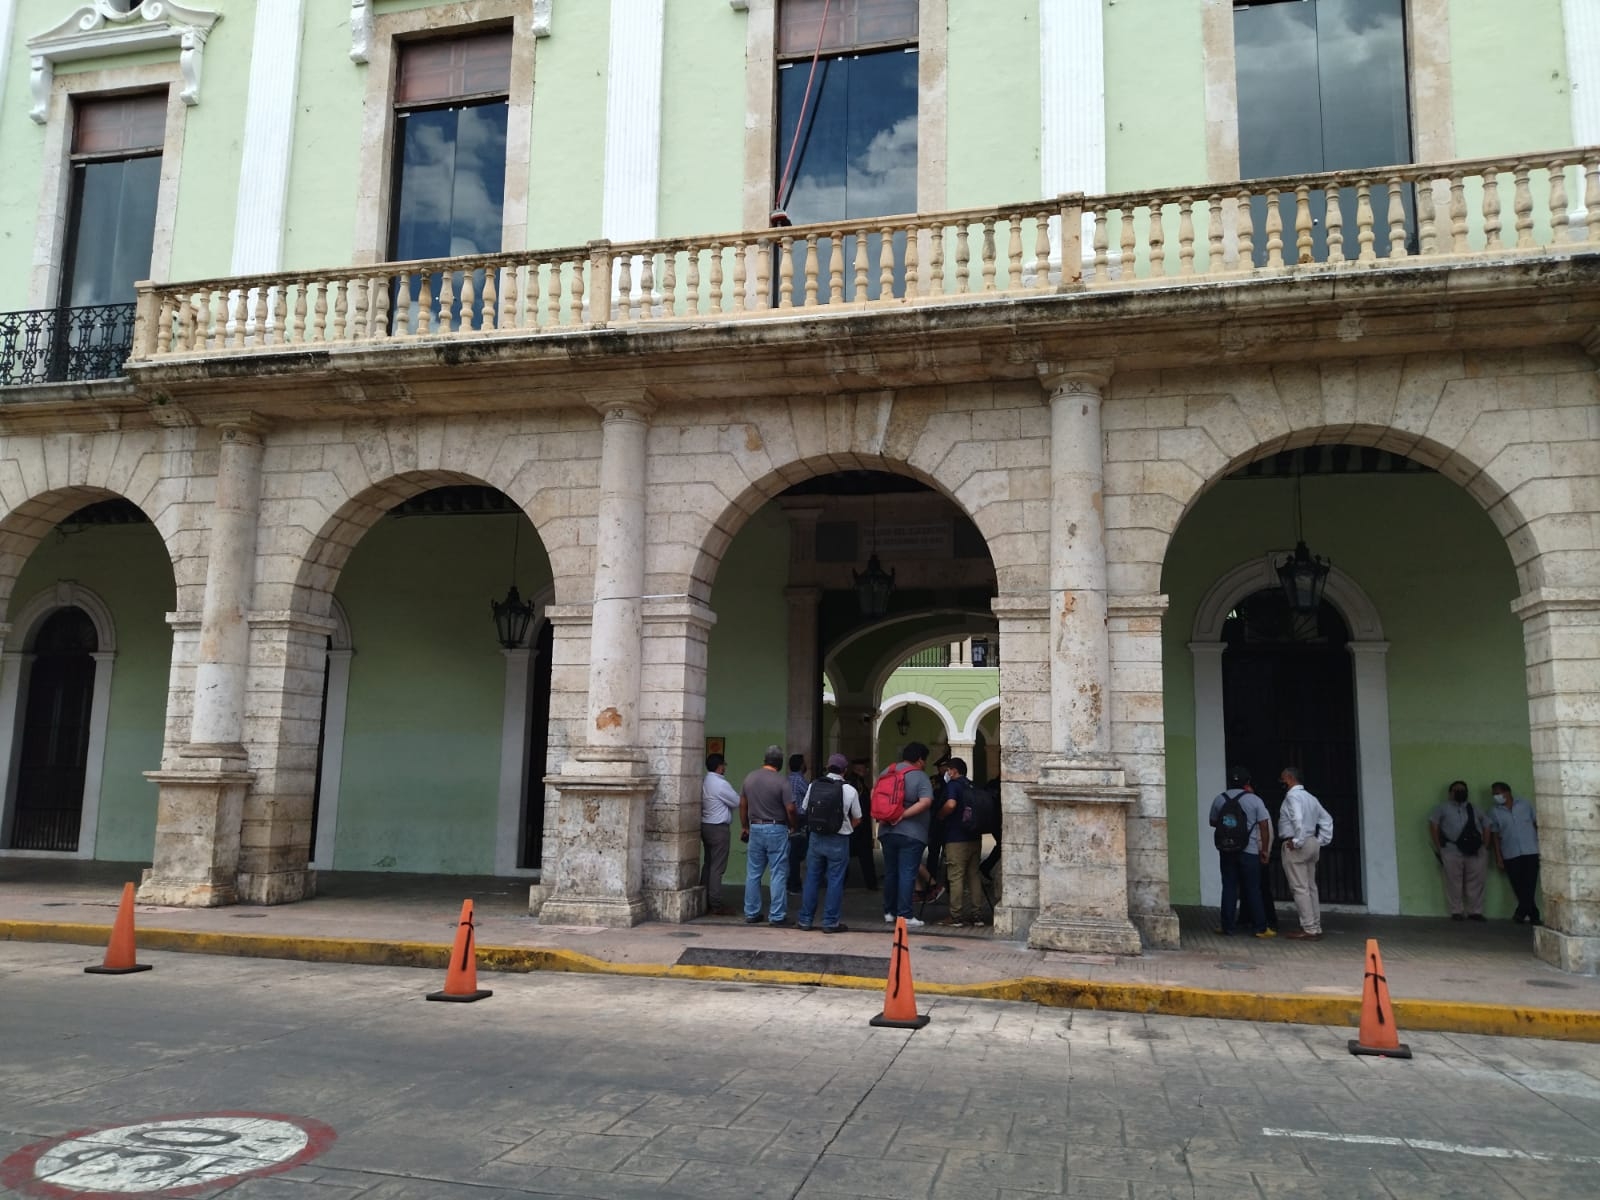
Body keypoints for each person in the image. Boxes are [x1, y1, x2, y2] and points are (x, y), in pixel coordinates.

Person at [795, 753, 862, 933]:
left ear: (827, 767)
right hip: (839, 839)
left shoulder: (814, 785)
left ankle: (805, 920)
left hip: (816, 838)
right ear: (844, 771)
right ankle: (830, 922)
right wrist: (845, 828)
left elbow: (804, 809)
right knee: (835, 880)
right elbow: (858, 817)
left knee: (812, 878)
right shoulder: (850, 790)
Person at [1208, 766, 1275, 938]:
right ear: (1248, 783)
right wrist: (1265, 850)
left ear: (1229, 781)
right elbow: (1264, 826)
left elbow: (1213, 822)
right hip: (1250, 851)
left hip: (1227, 849)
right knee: (1253, 889)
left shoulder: (1219, 799)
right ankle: (1260, 928)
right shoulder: (1255, 801)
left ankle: (1227, 926)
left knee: (1229, 887)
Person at [877, 741, 936, 929]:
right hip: (912, 834)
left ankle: (889, 912)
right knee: (907, 874)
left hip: (886, 831)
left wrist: (888, 816)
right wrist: (902, 814)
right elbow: (926, 802)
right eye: (924, 760)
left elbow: (874, 795)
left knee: (891, 872)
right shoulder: (920, 776)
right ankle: (905, 915)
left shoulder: (887, 771)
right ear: (919, 759)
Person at [739, 745, 796, 925]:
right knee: (778, 873)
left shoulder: (750, 778)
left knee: (753, 872)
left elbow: (742, 805)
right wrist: (793, 825)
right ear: (779, 763)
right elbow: (791, 808)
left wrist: (744, 827)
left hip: (755, 828)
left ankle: (751, 912)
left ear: (765, 760)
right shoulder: (781, 782)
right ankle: (777, 916)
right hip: (776, 828)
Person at [1277, 766, 1333, 940]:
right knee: (1310, 887)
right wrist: (1321, 840)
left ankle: (1308, 928)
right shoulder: (1310, 797)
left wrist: (1297, 841)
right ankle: (1315, 926)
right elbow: (1327, 819)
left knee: (1300, 888)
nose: (1282, 783)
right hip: (1311, 842)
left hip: (1297, 844)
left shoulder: (1292, 796)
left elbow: (1297, 819)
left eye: (1283, 779)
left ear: (1290, 778)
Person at [1429, 780, 1489, 921]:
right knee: (1453, 882)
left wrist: (1485, 846)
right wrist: (1439, 846)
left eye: (1463, 789)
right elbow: (1434, 825)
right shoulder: (1442, 808)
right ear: (1450, 793)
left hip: (1475, 851)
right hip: (1451, 850)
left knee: (1476, 882)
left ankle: (1475, 912)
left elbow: (1487, 824)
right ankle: (1456, 911)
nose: (1461, 792)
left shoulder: (1474, 808)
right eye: (1457, 790)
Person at [936, 757, 982, 926]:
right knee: (974, 875)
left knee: (955, 876)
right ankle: (977, 915)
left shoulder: (953, 785)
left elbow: (950, 804)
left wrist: (940, 815)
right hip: (974, 837)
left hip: (956, 838)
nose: (946, 773)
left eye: (948, 770)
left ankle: (955, 916)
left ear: (954, 771)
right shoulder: (972, 785)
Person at [1488, 780, 1541, 926]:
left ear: (1507, 792)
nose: (1495, 797)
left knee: (1530, 883)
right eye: (1494, 795)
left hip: (1531, 849)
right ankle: (1533, 914)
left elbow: (1536, 824)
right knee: (1518, 885)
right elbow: (1495, 836)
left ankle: (1522, 912)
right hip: (1510, 852)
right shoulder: (1494, 812)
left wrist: (1542, 846)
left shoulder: (1524, 804)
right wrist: (1498, 856)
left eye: (1497, 793)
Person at [700, 753, 740, 915]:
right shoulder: (720, 784)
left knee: (708, 864)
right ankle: (715, 903)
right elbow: (737, 801)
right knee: (717, 867)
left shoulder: (705, 781)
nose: (724, 768)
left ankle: (703, 899)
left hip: (706, 825)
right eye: (723, 765)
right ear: (719, 766)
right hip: (718, 828)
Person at [845, 758, 878, 889]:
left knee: (845, 856)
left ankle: (841, 883)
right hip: (859, 826)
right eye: (865, 769)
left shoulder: (851, 783)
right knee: (866, 857)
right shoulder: (857, 785)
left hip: (853, 825)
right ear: (859, 770)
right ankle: (871, 883)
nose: (867, 771)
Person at [786, 754, 810, 896]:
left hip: (787, 819)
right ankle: (794, 884)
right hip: (799, 818)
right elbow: (809, 796)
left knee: (791, 852)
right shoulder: (800, 781)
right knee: (797, 853)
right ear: (801, 766)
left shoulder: (785, 780)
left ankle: (792, 882)